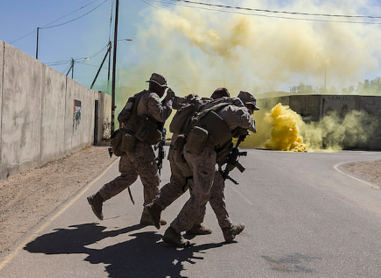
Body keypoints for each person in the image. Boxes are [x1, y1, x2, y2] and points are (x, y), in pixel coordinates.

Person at [159, 91, 258, 247]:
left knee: (216, 186)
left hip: (193, 148)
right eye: (252, 108)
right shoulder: (238, 108)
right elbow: (249, 124)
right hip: (203, 153)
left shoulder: (218, 104)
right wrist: (247, 118)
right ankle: (174, 231)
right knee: (201, 195)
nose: (252, 111)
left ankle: (227, 228)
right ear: (248, 105)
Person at [143, 87, 231, 235]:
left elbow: (176, 104)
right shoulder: (217, 110)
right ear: (223, 98)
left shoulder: (198, 103)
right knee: (200, 188)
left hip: (176, 150)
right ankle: (190, 225)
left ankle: (156, 207)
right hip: (188, 153)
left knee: (179, 183)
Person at [87, 73, 174, 222]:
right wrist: (170, 101)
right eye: (164, 89)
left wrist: (165, 100)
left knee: (127, 177)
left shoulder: (139, 96)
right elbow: (161, 115)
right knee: (152, 181)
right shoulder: (152, 97)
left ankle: (98, 198)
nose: (164, 92)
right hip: (139, 145)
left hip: (128, 142)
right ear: (158, 87)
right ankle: (149, 215)